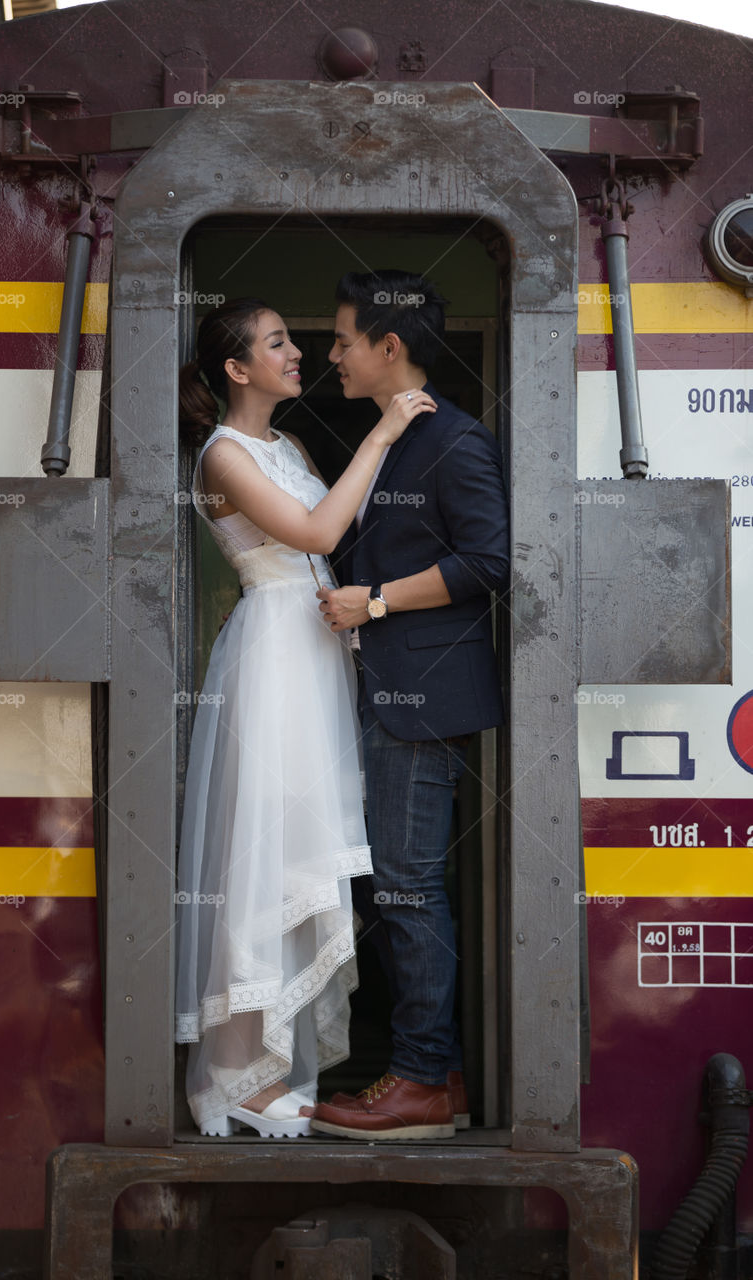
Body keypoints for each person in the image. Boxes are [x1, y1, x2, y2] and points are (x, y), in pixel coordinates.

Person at [173, 297, 436, 1138]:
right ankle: (235, 1078)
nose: (299, 355)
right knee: (266, 847)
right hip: (274, 658)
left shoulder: (285, 443)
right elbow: (318, 526)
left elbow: (332, 542)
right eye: (279, 343)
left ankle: (273, 1066)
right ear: (236, 369)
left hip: (315, 655)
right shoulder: (222, 454)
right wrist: (382, 434)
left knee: (300, 846)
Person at [309, 269, 510, 1141]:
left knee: (406, 890)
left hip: (420, 702)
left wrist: (377, 600)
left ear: (390, 348)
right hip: (386, 694)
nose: (332, 355)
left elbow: (490, 564)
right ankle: (436, 1076)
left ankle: (422, 1081)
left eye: (343, 339)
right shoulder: (391, 436)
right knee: (396, 886)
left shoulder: (455, 442)